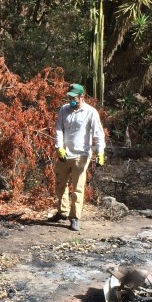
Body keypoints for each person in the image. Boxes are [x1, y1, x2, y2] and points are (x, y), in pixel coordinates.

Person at [52, 83, 106, 231]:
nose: (71, 100)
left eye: (74, 97)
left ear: (82, 96)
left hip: (81, 155)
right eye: (69, 97)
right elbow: (59, 130)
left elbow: (98, 134)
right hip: (65, 153)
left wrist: (100, 152)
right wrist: (59, 147)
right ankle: (62, 212)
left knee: (78, 188)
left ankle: (75, 217)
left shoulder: (90, 112)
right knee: (60, 184)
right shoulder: (64, 110)